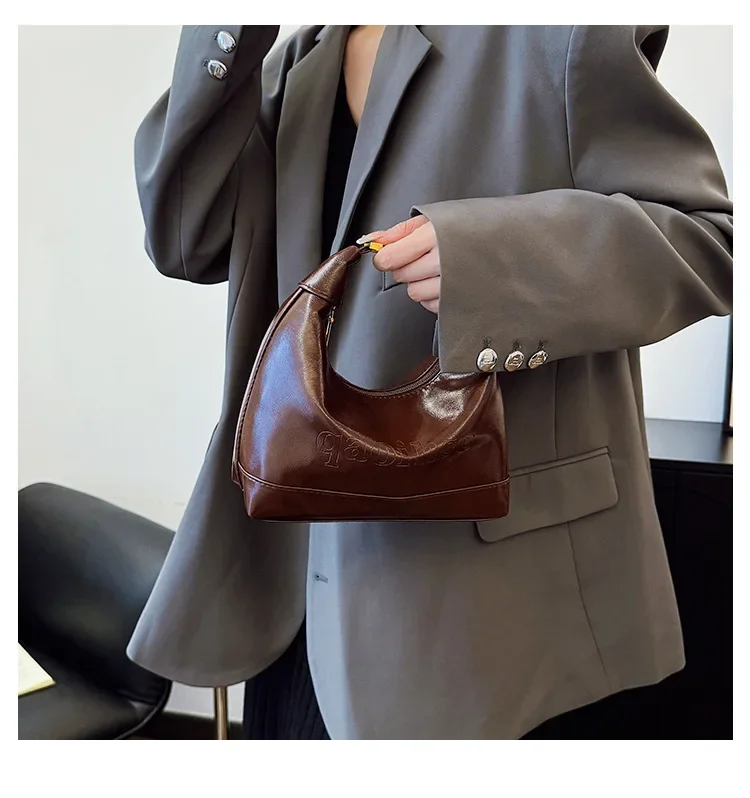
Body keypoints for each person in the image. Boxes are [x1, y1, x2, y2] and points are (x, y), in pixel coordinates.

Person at [129, 25, 733, 740]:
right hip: (288, 597)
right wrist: (227, 35)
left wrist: (493, 261)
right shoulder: (294, 60)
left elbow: (706, 237)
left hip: (486, 613)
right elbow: (184, 240)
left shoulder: (555, 31)